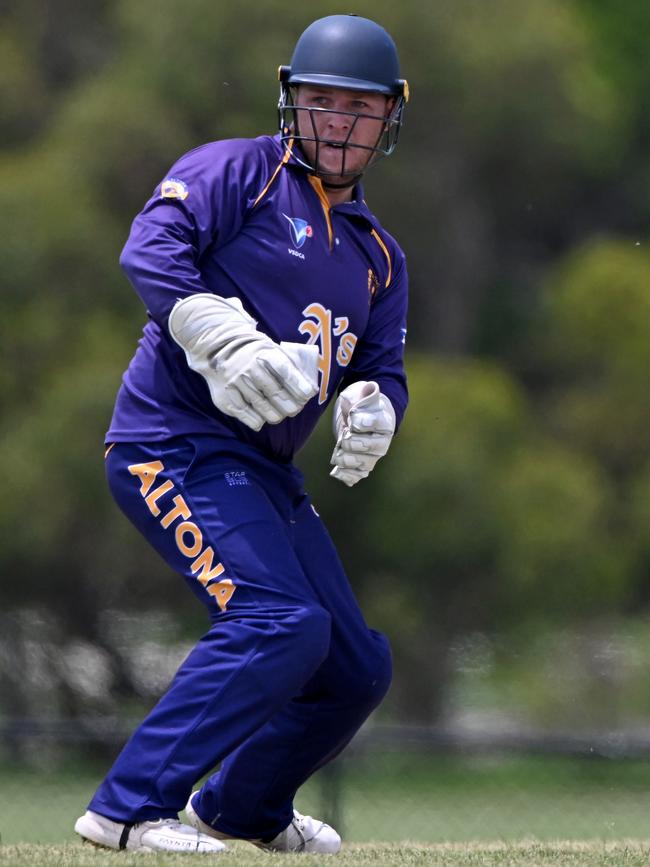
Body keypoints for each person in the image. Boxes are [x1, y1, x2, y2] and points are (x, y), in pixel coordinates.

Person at [74, 13, 410, 856]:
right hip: (171, 444)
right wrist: (212, 332)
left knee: (355, 666)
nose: (338, 122)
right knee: (279, 620)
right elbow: (151, 245)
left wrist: (377, 409)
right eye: (321, 101)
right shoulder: (239, 171)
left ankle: (241, 809)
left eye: (360, 108)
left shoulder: (379, 255)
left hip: (263, 470)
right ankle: (125, 808)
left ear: (390, 118)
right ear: (289, 102)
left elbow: (381, 366)